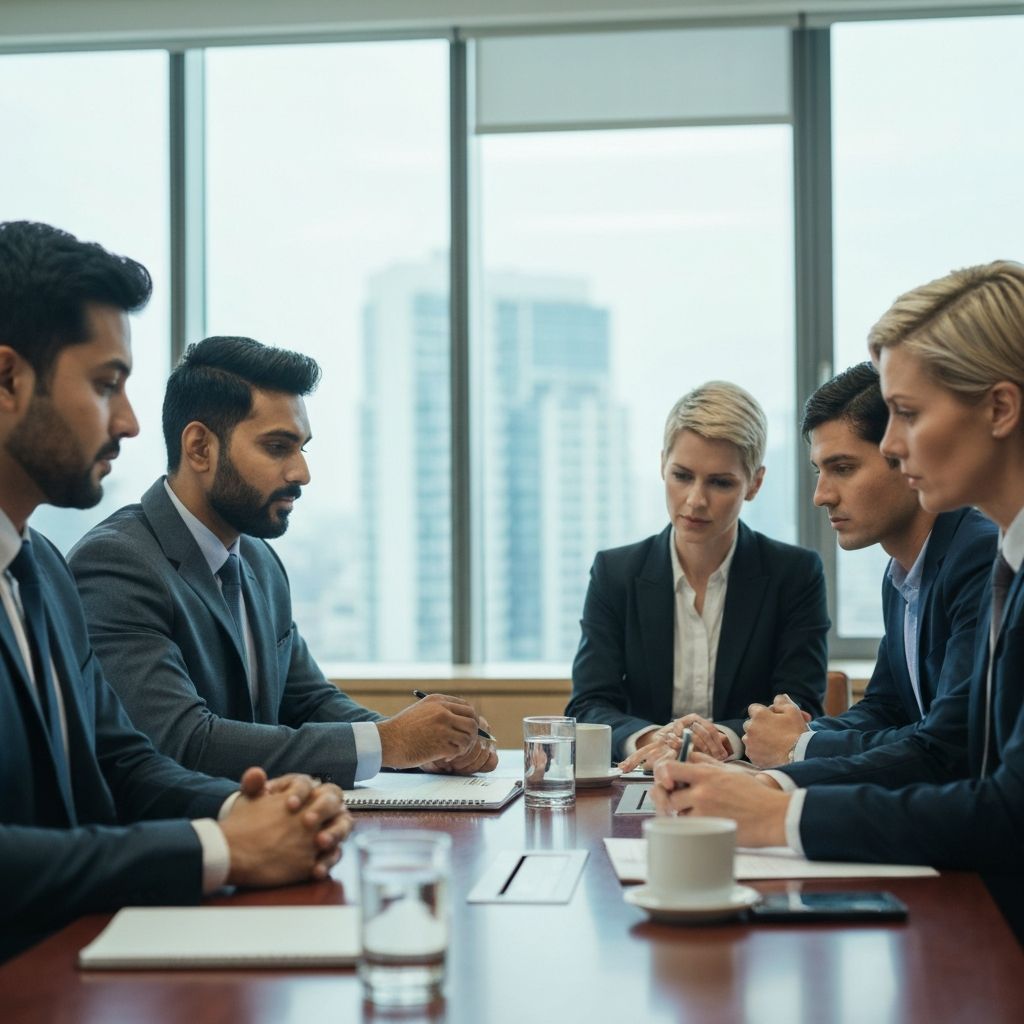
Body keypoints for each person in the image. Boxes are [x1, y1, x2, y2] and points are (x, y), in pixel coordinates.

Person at [0, 220, 351, 962]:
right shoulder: (107, 561)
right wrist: (220, 849)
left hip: (73, 964)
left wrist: (257, 810)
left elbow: (123, 763)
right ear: (6, 382)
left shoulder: (43, 574)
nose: (128, 422)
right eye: (105, 385)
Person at [652, 260, 1024, 944]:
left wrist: (780, 794)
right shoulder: (981, 561)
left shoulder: (979, 555)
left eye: (907, 415)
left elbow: (964, 767)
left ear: (1000, 409)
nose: (894, 444)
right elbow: (893, 712)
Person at [68, 336, 497, 788]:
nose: (301, 473)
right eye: (278, 448)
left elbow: (309, 701)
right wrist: (388, 742)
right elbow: (183, 742)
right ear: (199, 448)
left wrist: (420, 750)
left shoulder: (257, 559)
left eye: (302, 449)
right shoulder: (117, 564)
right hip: (172, 849)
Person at [742, 363, 995, 775]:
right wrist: (795, 738)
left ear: (905, 456)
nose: (821, 496)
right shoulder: (900, 574)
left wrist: (802, 747)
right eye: (818, 471)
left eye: (843, 468)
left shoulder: (977, 556)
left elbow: (951, 742)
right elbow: (887, 707)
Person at [566, 381, 829, 764]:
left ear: (754, 483)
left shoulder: (795, 574)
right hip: (641, 775)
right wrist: (656, 739)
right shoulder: (615, 573)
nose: (695, 500)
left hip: (747, 781)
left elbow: (799, 707)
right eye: (682, 475)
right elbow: (588, 705)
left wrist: (718, 739)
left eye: (720, 482)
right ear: (661, 465)